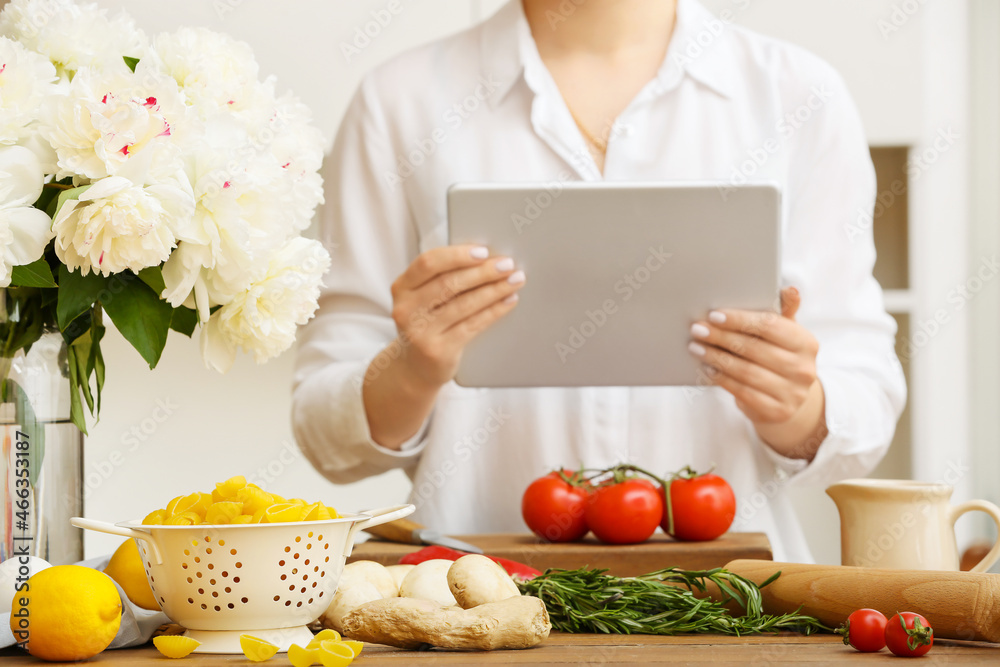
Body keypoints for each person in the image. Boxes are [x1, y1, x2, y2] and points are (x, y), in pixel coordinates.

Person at [292, 0, 906, 562]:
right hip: (474, 600)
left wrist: (796, 403)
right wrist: (413, 365)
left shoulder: (799, 95)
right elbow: (326, 432)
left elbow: (866, 404)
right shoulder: (398, 100)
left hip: (727, 604)